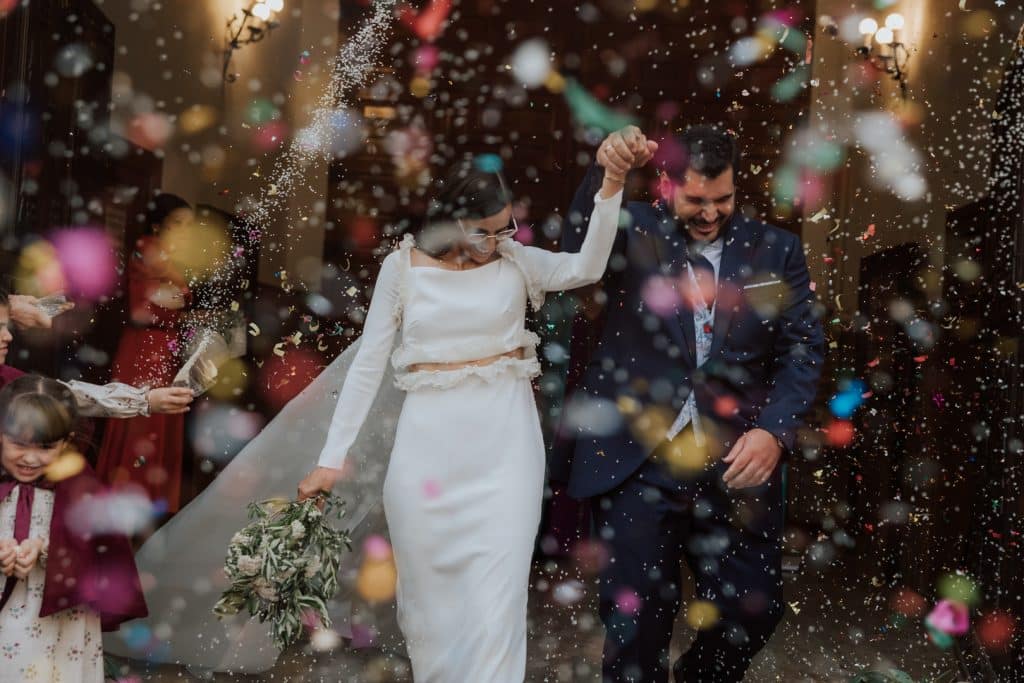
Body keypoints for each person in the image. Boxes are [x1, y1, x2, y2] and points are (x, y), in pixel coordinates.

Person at [556, 125, 825, 682]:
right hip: (638, 459)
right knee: (636, 626)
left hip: (734, 463)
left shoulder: (777, 249)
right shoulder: (632, 230)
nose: (708, 213)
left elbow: (803, 349)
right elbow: (577, 248)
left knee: (753, 606)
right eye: (695, 200)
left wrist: (774, 431)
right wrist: (606, 174)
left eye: (721, 200)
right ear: (667, 185)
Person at [0, 375, 148, 682]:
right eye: (17, 443)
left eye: (45, 447)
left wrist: (44, 549)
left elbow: (99, 551)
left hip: (55, 617)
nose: (29, 458)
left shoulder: (80, 488)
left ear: (67, 441)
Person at [97, 193, 194, 513]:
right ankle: (132, 496)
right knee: (143, 417)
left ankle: (148, 497)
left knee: (156, 416)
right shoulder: (149, 248)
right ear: (158, 225)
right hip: (146, 347)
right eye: (178, 223)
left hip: (160, 346)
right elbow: (150, 305)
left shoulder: (170, 256)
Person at [0, 288, 194, 419]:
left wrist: (145, 400)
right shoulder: (10, 383)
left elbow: (68, 394)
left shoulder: (9, 378)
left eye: (7, 327)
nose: (8, 336)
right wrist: (144, 401)